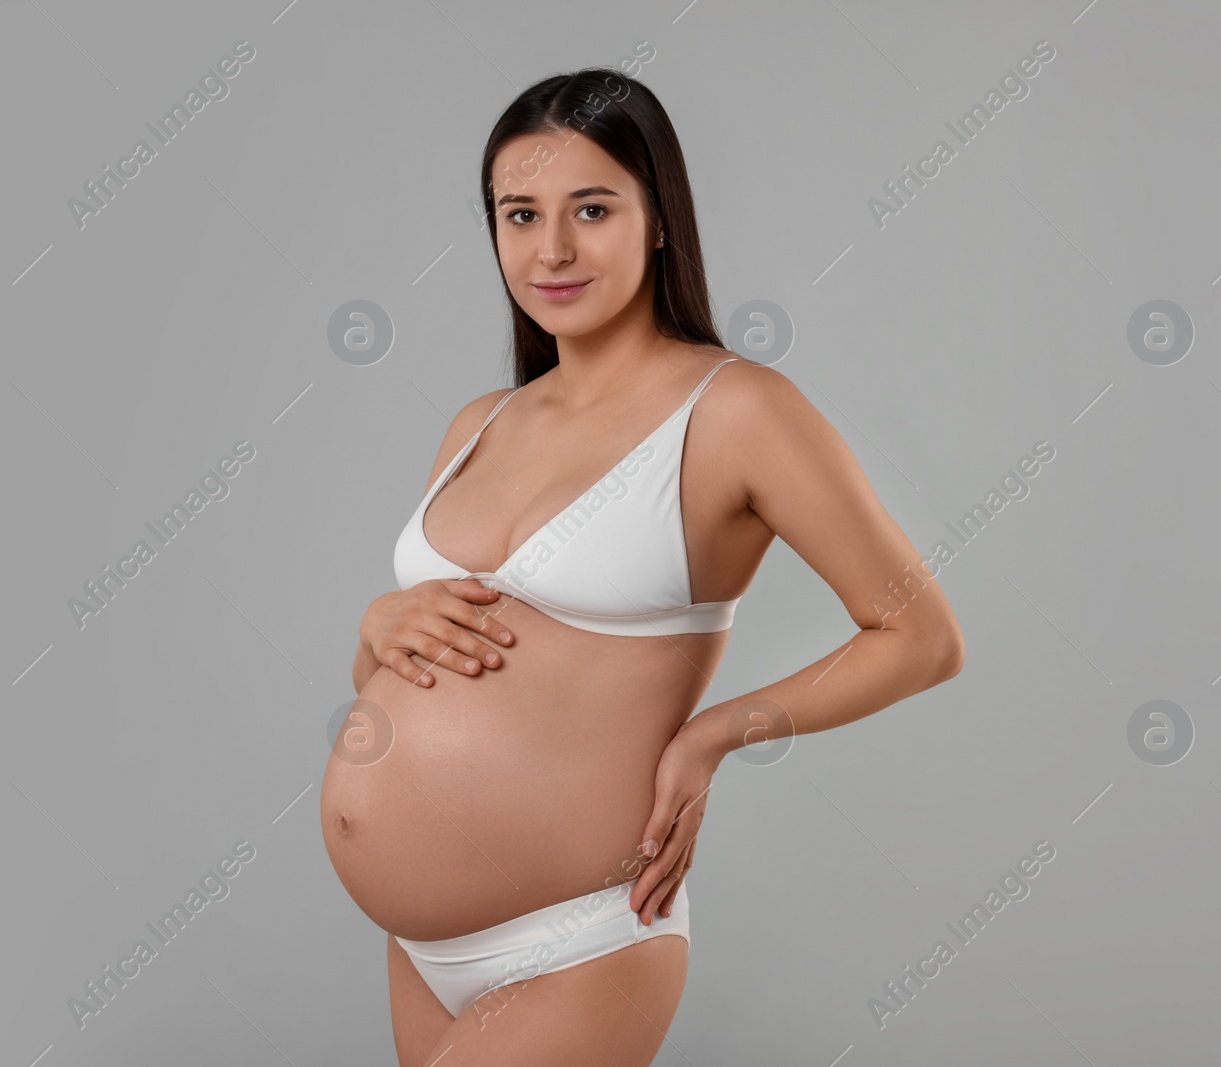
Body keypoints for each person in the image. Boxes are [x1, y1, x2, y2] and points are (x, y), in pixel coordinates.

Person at [319, 67, 964, 1067]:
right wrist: (374, 632)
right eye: (519, 214)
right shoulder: (475, 425)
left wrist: (715, 733)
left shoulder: (737, 411)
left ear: (660, 219)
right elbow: (436, 671)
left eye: (592, 208)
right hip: (418, 945)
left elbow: (921, 635)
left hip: (579, 937)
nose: (554, 248)